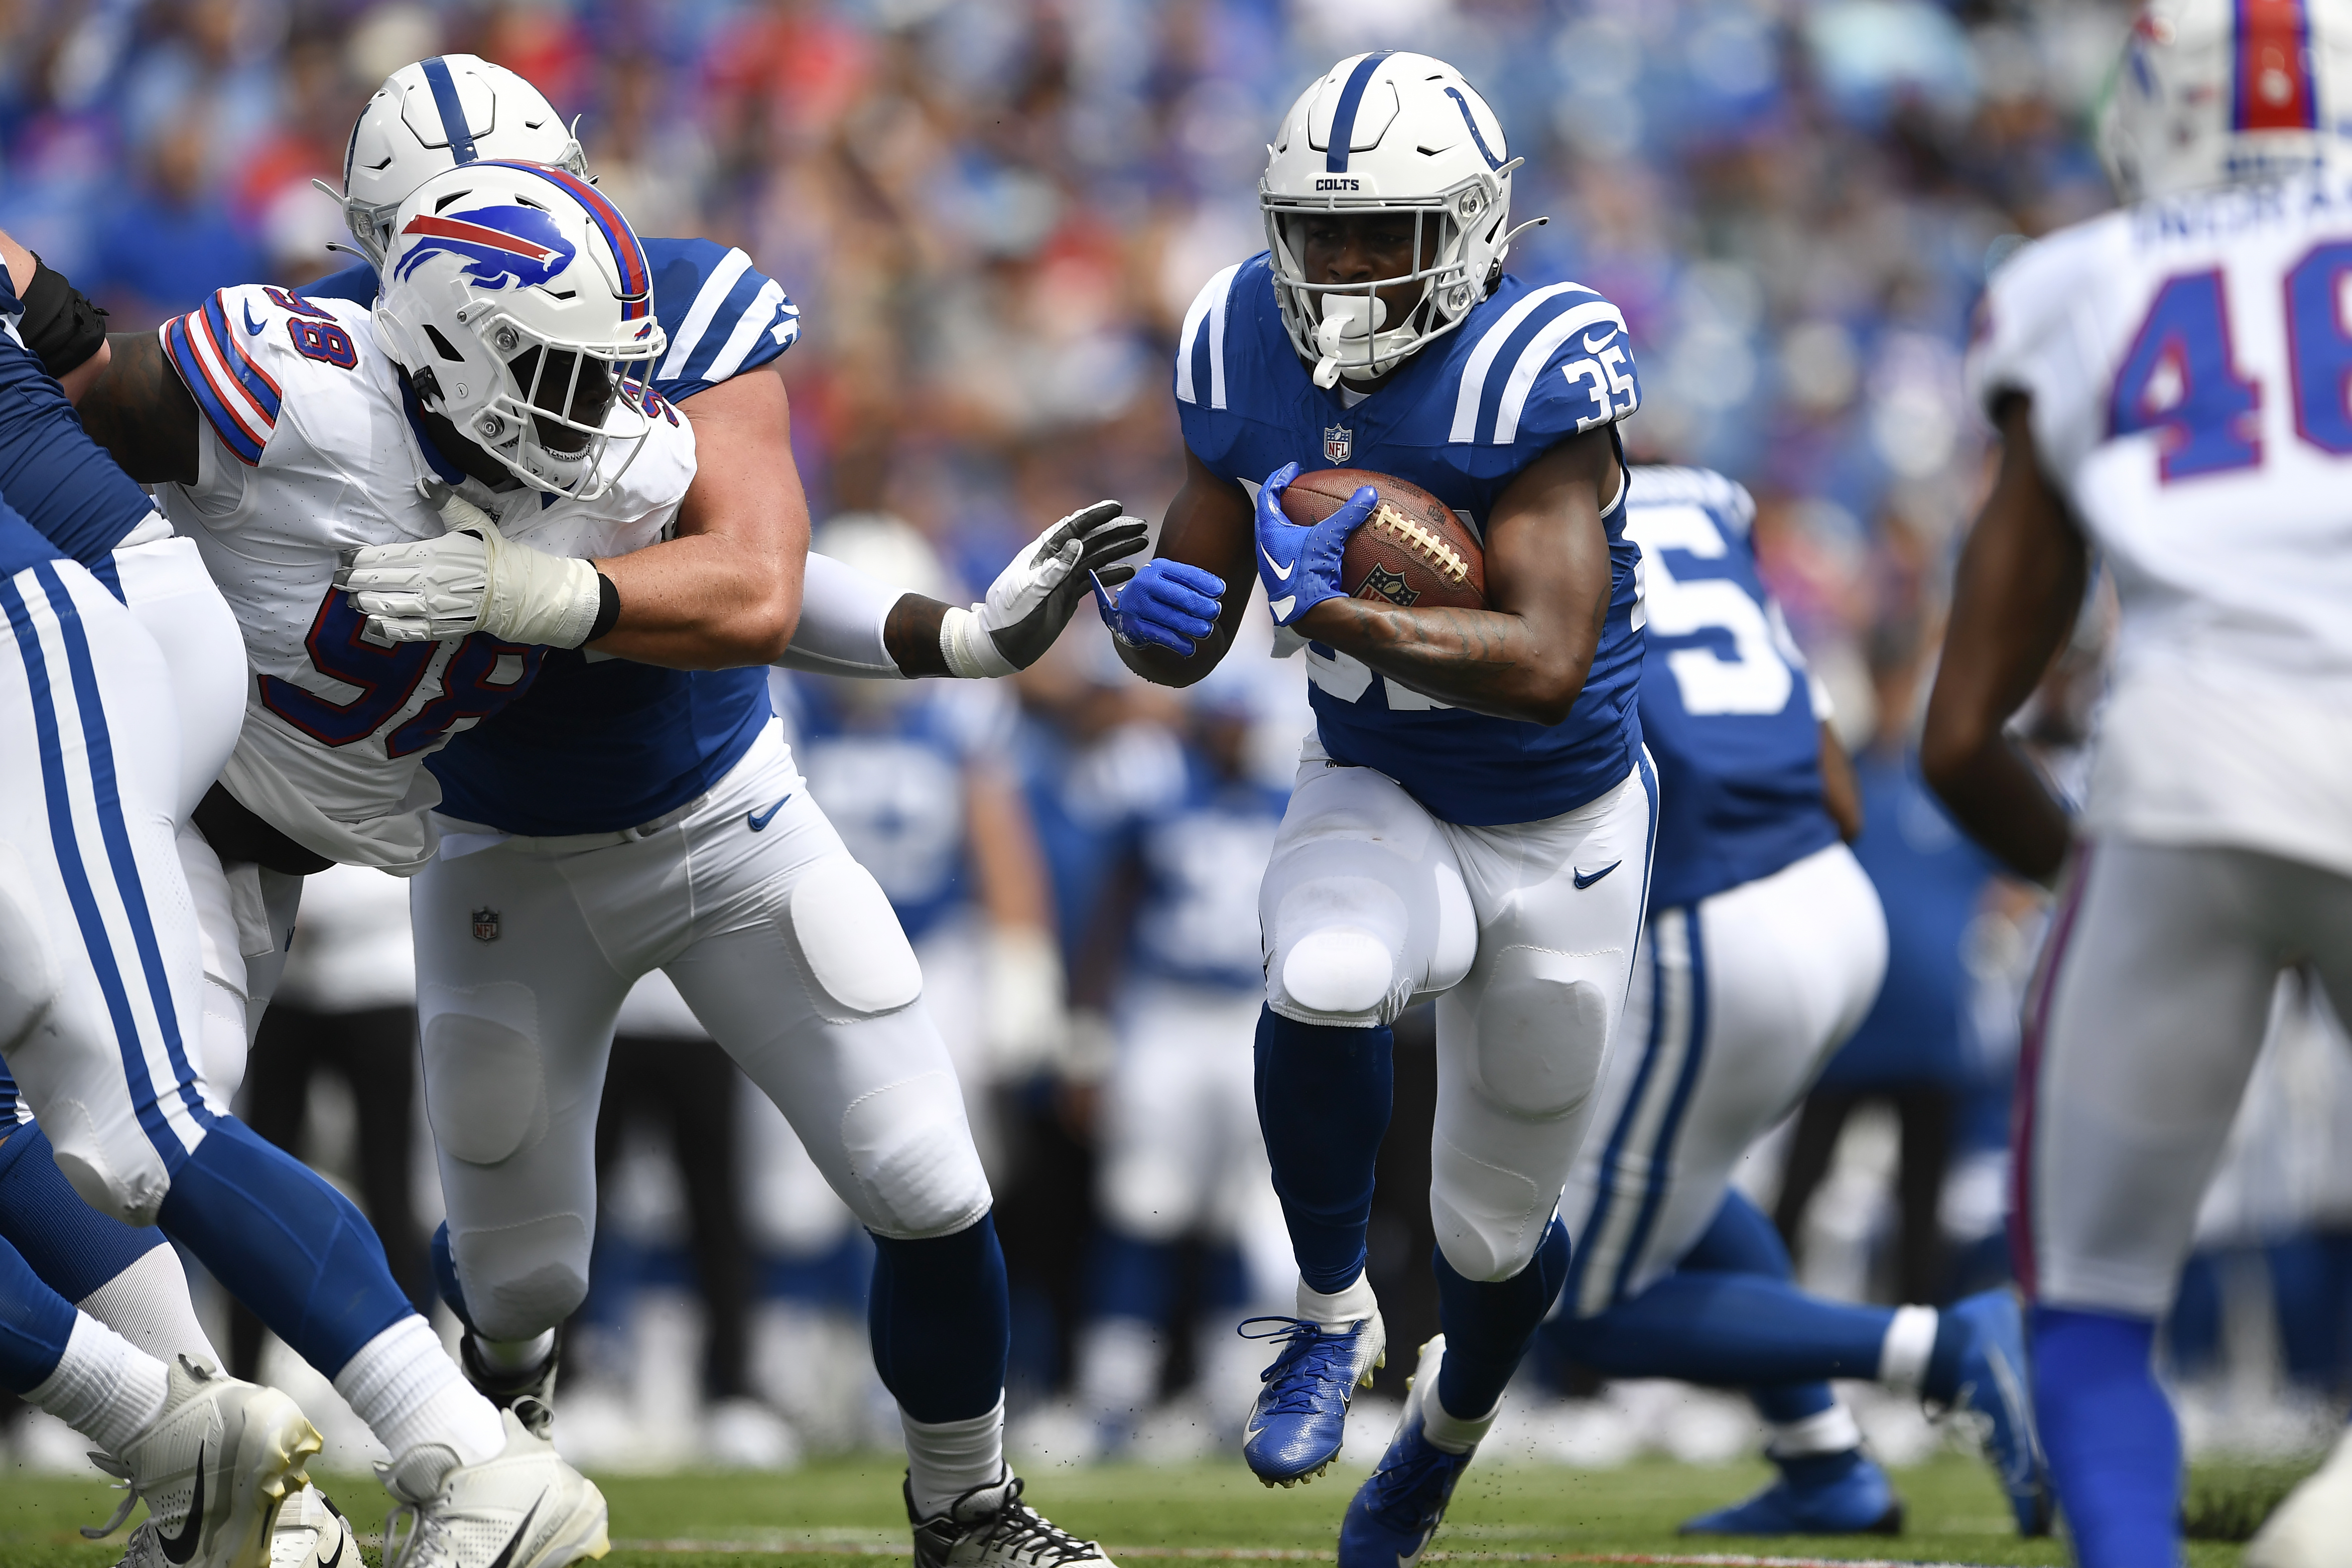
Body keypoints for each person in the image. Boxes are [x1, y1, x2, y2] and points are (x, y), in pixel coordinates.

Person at [300, 57, 1141, 1566]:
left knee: (925, 1174)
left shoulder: (671, 300)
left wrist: (947, 637)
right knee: (516, 1283)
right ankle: (492, 1462)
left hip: (721, 814)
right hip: (497, 850)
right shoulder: (327, 377)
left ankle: (965, 1503)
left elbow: (752, 582)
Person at [1099, 51, 1652, 1566]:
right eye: (1319, 230)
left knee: (1487, 1236)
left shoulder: (1539, 359)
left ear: (1472, 229)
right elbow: (1198, 612)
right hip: (1375, 781)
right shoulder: (1235, 333)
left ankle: (1438, 1440)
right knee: (1325, 974)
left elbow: (1540, 662)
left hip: (1559, 828)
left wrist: (1342, 618)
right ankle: (1328, 1314)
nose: (1341, 266)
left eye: (1381, 232)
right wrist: (1147, 608)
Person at [0, 240, 580, 1568]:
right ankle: (183, 1441)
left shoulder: (319, 389)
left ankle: (472, 1455)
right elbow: (65, 327)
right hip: (98, 612)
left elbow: (84, 358)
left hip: (41, 634)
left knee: (136, 1106)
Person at [1920, 5, 2352, 1563]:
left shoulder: (2077, 280)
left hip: (2179, 774)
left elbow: (1961, 733)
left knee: (2089, 1313)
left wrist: (2104, 892)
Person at [1536, 465, 2046, 1537]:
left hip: (1717, 922)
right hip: (1828, 897)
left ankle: (1943, 1348)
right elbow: (1842, 791)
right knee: (1699, 1176)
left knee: (1591, 1307)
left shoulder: (1536, 531)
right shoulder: (1707, 519)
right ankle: (1825, 1461)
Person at [1067, 661, 1297, 1452]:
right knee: (1143, 1203)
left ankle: (1232, 1394)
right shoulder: (1160, 797)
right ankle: (1114, 1395)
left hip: (1249, 1013)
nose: (1231, 733)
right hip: (1165, 1010)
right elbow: (1111, 916)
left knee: (1247, 1212)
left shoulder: (1289, 806)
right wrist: (1088, 1036)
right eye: (1220, 718)